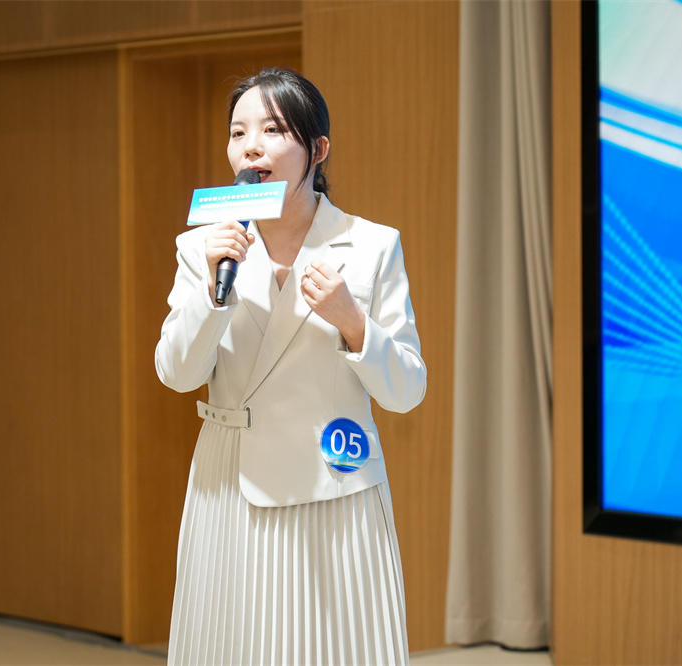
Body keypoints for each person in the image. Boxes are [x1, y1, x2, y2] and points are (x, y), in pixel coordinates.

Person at [155, 67, 426, 665]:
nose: (250, 147)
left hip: (334, 483)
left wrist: (353, 321)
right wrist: (212, 295)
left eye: (273, 130)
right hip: (230, 481)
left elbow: (407, 390)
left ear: (318, 149)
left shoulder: (372, 245)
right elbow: (176, 373)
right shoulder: (202, 247)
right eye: (238, 132)